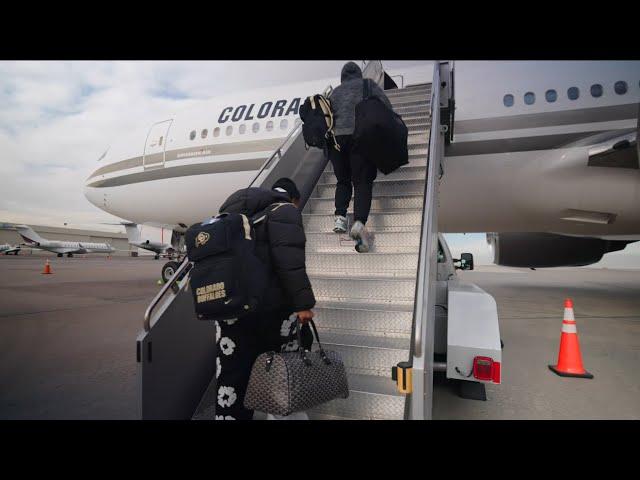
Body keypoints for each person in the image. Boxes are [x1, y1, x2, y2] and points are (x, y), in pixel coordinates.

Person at [213, 178, 315, 420]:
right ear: (295, 199)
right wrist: (304, 304)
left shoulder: (231, 214)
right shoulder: (285, 210)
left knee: (231, 378)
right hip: (272, 311)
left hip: (231, 312)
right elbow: (289, 261)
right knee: (284, 371)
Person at [328, 61, 392, 253]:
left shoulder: (335, 92)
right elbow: (386, 107)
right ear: (358, 74)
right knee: (362, 182)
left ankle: (340, 216)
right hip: (359, 138)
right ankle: (358, 223)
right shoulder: (368, 85)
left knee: (343, 180)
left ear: (342, 77)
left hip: (336, 142)